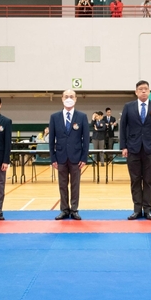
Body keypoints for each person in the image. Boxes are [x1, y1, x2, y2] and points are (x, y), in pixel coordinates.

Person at [120, 80, 151, 220]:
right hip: (133, 148)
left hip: (150, 149)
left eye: (146, 89)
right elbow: (123, 127)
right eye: (141, 89)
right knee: (135, 180)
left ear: (149, 91)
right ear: (136, 92)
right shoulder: (128, 106)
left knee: (148, 180)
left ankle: (148, 209)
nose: (143, 91)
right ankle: (137, 209)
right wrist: (123, 146)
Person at [49, 90, 89, 220]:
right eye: (66, 96)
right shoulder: (54, 117)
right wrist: (53, 158)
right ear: (62, 98)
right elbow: (51, 140)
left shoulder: (82, 116)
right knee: (62, 184)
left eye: (71, 96)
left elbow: (86, 139)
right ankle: (64, 210)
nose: (69, 98)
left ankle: (74, 209)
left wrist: (84, 157)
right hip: (60, 156)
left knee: (75, 185)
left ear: (76, 99)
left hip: (76, 157)